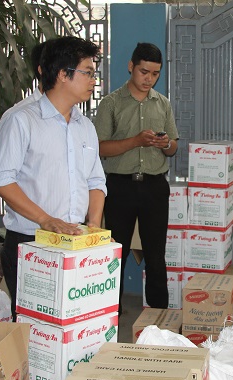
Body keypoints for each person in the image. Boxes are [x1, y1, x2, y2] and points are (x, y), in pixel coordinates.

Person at [0, 36, 107, 319]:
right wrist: (45, 219)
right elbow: (1, 179)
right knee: (35, 328)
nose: (93, 81)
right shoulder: (21, 120)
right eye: (88, 72)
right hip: (32, 242)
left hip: (75, 242)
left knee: (75, 324)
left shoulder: (85, 126)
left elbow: (95, 181)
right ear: (63, 74)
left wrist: (92, 225)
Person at [94, 42, 178, 311]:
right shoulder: (111, 103)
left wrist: (165, 144)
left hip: (155, 186)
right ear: (131, 66)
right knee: (116, 254)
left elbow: (173, 147)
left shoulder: (162, 103)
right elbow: (100, 148)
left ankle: (158, 316)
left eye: (155, 74)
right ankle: (110, 313)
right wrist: (136, 141)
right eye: (144, 72)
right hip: (120, 187)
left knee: (156, 255)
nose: (149, 79)